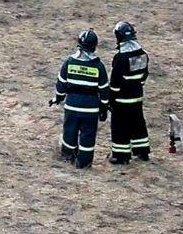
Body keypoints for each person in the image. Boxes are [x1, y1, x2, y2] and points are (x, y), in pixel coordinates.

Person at [52, 28, 110, 169]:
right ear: (94, 45)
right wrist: (103, 109)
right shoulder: (99, 66)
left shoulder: (69, 62)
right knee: (88, 136)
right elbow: (104, 90)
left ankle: (68, 156)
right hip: (91, 108)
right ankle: (84, 163)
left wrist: (58, 98)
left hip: (72, 105)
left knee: (69, 131)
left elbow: (61, 84)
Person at [108, 21, 151, 164]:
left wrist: (110, 99)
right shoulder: (143, 55)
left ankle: (121, 156)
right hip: (137, 98)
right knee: (138, 123)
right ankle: (142, 151)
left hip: (122, 100)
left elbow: (115, 83)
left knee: (120, 127)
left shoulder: (120, 58)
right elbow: (144, 75)